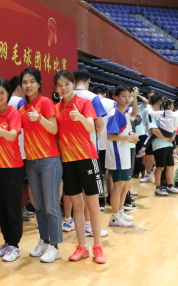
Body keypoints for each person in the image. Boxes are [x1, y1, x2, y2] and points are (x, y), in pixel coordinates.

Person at [53, 70, 106, 264]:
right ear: (56, 88)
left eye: (67, 84)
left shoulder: (84, 103)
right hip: (68, 161)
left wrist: (80, 118)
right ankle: (82, 246)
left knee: (93, 205)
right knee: (77, 205)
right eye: (59, 85)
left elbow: (92, 127)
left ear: (73, 84)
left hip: (87, 158)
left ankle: (98, 246)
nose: (63, 88)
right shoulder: (56, 108)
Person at [19, 68, 61, 263]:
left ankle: (55, 246)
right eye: (25, 82)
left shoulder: (45, 103)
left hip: (49, 160)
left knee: (51, 206)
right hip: (31, 161)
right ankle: (44, 240)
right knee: (40, 206)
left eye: (32, 81)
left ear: (38, 84)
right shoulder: (23, 108)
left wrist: (39, 118)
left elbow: (54, 129)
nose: (28, 85)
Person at [67, 69, 107, 240]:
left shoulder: (65, 98)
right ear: (89, 80)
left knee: (73, 195)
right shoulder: (92, 97)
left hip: (68, 154)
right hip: (87, 151)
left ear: (72, 81)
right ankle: (88, 227)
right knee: (90, 197)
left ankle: (68, 220)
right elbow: (99, 125)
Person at [0, 78, 24, 262]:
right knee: (0, 208)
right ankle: (7, 241)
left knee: (12, 207)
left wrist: (4, 133)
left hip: (12, 167)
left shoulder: (13, 113)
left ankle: (14, 245)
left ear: (8, 94)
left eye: (2, 92)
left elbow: (13, 135)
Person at [105, 86, 139, 228]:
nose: (127, 99)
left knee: (125, 186)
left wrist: (130, 135)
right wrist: (129, 138)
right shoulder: (114, 114)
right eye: (124, 96)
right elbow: (111, 136)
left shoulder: (123, 113)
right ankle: (114, 217)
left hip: (124, 153)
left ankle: (120, 212)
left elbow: (134, 114)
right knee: (118, 187)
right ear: (116, 98)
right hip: (117, 155)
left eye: (128, 96)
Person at [9, 76, 35, 221]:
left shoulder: (6, 101)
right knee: (25, 183)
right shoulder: (20, 102)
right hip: (22, 149)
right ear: (19, 87)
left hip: (11, 148)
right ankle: (20, 210)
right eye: (24, 84)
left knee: (17, 183)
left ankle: (19, 209)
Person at [149, 98, 178, 196]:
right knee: (160, 167)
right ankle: (158, 187)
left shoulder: (168, 114)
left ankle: (170, 185)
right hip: (159, 144)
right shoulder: (155, 115)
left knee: (170, 165)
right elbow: (154, 130)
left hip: (168, 143)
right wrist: (167, 138)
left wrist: (173, 135)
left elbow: (176, 128)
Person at [91, 86, 115, 211]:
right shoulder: (112, 103)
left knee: (98, 174)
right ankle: (111, 198)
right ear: (105, 94)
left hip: (96, 144)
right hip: (110, 143)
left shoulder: (90, 102)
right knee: (110, 173)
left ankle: (100, 201)